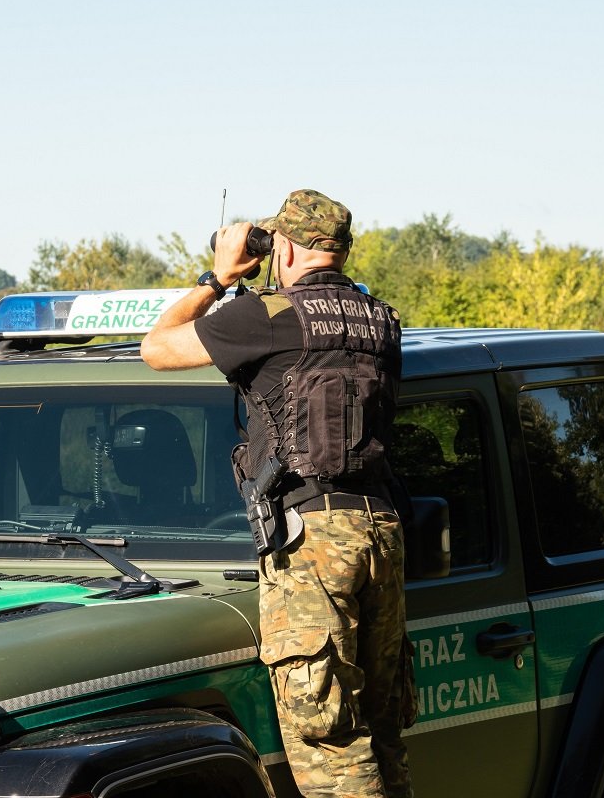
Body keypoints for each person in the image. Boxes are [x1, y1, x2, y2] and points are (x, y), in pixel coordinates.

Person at [141, 189, 414, 798]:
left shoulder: (265, 317)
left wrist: (217, 276)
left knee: (330, 742)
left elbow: (157, 347)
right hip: (381, 529)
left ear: (284, 246)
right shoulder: (381, 321)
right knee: (382, 732)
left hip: (312, 539)